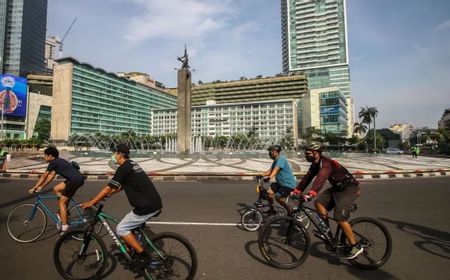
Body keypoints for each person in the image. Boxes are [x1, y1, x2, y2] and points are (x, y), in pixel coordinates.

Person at [81, 143, 162, 270]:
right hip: (152, 203)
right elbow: (119, 187)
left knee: (121, 229)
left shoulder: (124, 168)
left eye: (114, 153)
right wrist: (104, 197)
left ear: (120, 155)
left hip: (146, 206)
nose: (113, 155)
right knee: (128, 226)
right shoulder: (132, 165)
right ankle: (131, 253)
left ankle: (143, 256)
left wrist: (91, 202)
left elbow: (108, 188)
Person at [291, 142, 362, 259]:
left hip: (349, 188)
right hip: (338, 188)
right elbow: (307, 178)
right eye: (305, 153)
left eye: (308, 153)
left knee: (339, 217)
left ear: (316, 153)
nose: (306, 155)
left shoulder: (326, 163)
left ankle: (356, 246)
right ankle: (327, 231)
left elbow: (321, 178)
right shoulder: (315, 164)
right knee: (319, 203)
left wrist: (311, 193)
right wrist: (297, 191)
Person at [28, 146, 85, 233]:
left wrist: (35, 187)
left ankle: (65, 227)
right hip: (75, 179)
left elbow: (45, 175)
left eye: (45, 155)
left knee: (61, 202)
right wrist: (41, 187)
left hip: (74, 180)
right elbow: (51, 176)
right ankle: (62, 211)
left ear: (50, 156)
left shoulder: (53, 162)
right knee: (56, 189)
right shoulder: (59, 161)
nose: (44, 157)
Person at [262, 144, 297, 216]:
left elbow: (276, 169)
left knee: (278, 197)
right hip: (280, 183)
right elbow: (270, 171)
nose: (269, 154)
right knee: (269, 193)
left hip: (288, 184)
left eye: (270, 152)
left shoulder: (281, 159)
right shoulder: (275, 160)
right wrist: (261, 175)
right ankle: (272, 210)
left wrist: (269, 177)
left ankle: (289, 211)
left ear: (275, 152)